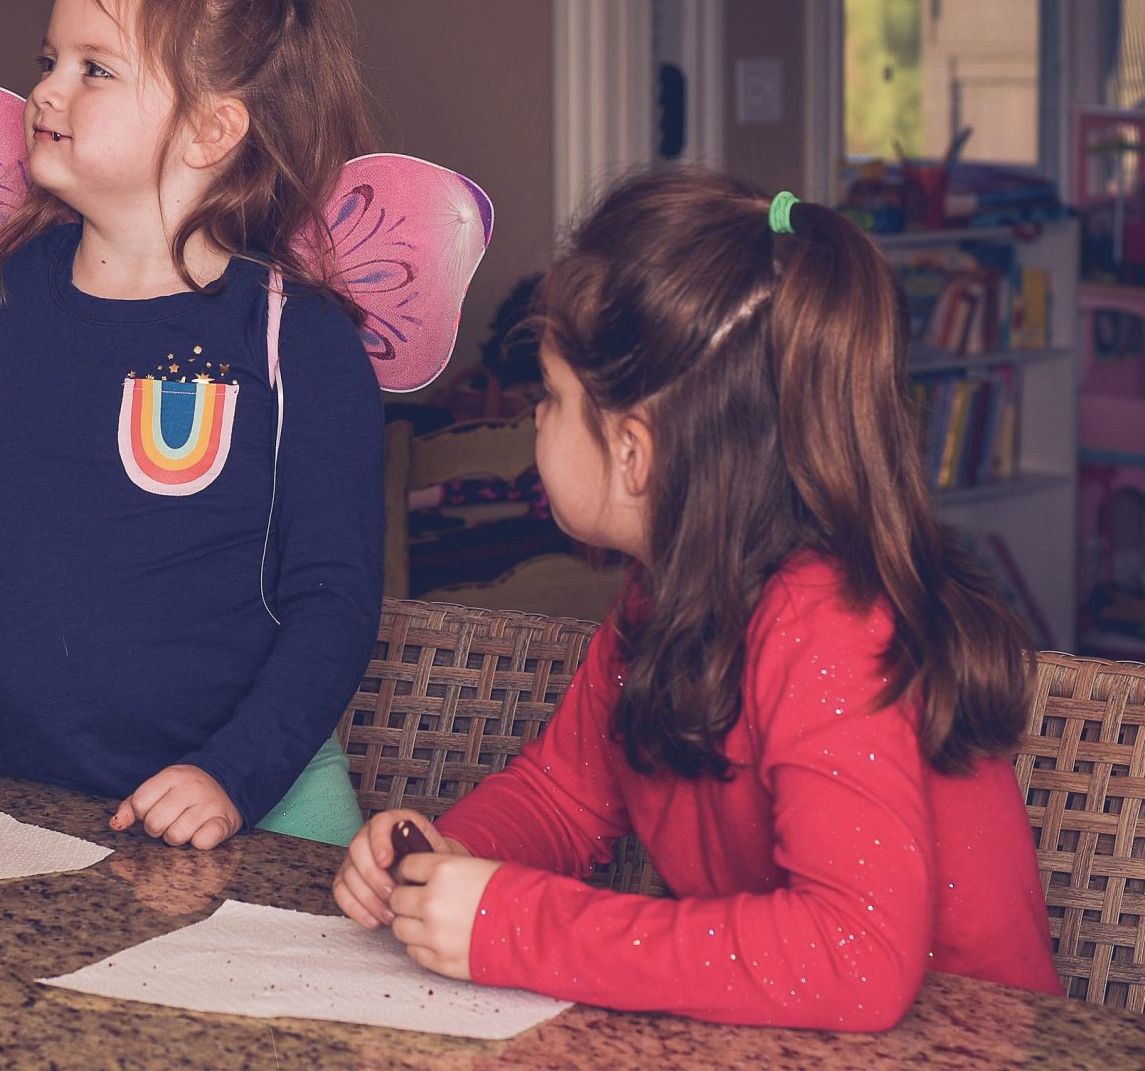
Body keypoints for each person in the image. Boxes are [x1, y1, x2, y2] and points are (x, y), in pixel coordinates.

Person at [333, 166, 1058, 1030]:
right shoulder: (663, 601)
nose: (536, 420)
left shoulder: (826, 626)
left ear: (634, 452)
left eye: (553, 397)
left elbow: (852, 959)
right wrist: (449, 856)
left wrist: (514, 924)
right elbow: (562, 798)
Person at [0, 0, 386, 849]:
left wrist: (229, 774)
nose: (45, 90)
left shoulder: (298, 341)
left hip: (258, 808)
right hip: (27, 808)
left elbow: (335, 598)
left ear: (210, 129)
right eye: (48, 59)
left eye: (95, 68)